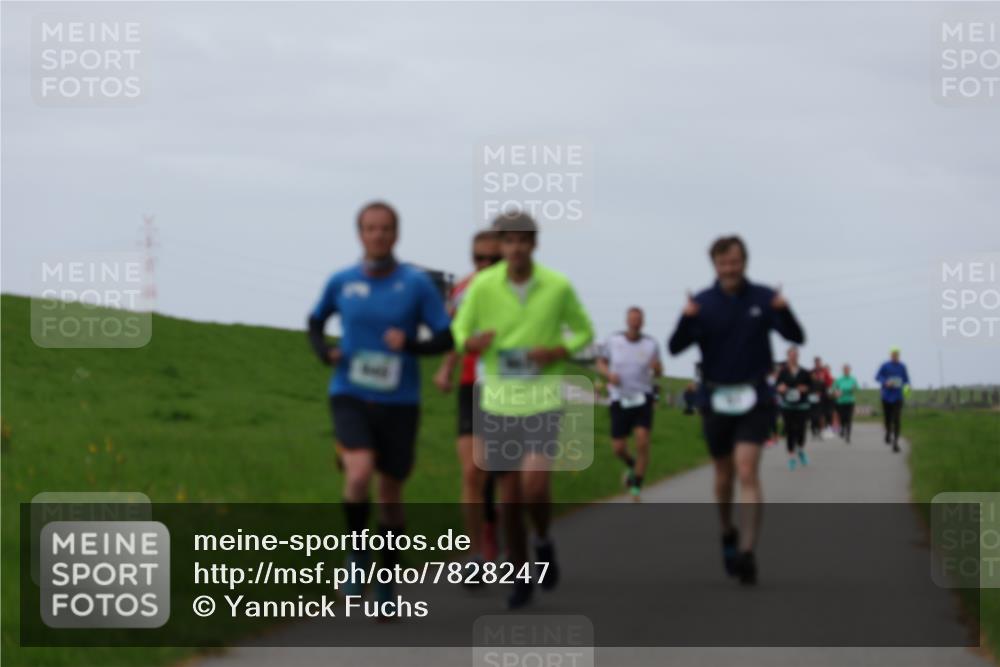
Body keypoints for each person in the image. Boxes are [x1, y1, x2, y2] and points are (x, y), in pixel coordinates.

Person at [307, 201, 453, 602]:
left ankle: (386, 579)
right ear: (360, 234)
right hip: (350, 392)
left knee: (390, 494)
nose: (378, 235)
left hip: (401, 400)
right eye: (371, 228)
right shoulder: (342, 282)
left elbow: (446, 337)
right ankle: (357, 557)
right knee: (358, 473)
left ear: (396, 234)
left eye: (386, 228)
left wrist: (411, 344)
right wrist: (325, 352)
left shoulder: (417, 285)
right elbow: (316, 321)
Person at [451, 211, 594, 609]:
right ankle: (519, 573)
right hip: (498, 400)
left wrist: (557, 351)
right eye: (507, 241)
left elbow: (584, 331)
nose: (514, 248)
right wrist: (470, 342)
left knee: (534, 484)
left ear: (534, 244)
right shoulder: (482, 288)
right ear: (500, 245)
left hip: (543, 397)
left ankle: (544, 541)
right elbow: (459, 331)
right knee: (510, 498)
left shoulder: (556, 286)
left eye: (521, 240)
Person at [668, 235, 805, 585]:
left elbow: (796, 336)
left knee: (747, 470)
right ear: (715, 265)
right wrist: (686, 320)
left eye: (735, 262)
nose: (730, 268)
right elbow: (675, 347)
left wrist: (783, 310)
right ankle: (727, 530)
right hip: (715, 397)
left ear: (745, 262)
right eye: (723, 263)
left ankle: (747, 551)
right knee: (724, 475)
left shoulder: (763, 298)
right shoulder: (702, 302)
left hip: (755, 397)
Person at [433, 229, 503, 568]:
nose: (487, 264)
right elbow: (453, 334)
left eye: (495, 258)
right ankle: (475, 551)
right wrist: (446, 368)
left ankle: (495, 529)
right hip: (471, 384)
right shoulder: (461, 289)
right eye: (480, 258)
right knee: (473, 470)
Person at [595, 306, 663, 499]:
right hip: (619, 398)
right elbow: (600, 362)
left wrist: (657, 369)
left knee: (642, 441)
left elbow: (658, 371)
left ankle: (636, 486)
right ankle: (633, 465)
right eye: (632, 319)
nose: (635, 322)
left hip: (643, 397)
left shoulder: (651, 344)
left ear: (642, 322)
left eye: (638, 319)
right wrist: (609, 374)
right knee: (618, 448)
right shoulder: (613, 340)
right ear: (627, 321)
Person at [776, 347, 811, 469]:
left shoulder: (805, 372)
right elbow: (778, 385)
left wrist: (805, 389)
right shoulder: (783, 372)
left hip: (802, 405)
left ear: (798, 356)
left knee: (801, 430)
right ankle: (791, 457)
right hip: (787, 405)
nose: (793, 357)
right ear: (788, 356)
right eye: (791, 355)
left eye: (795, 355)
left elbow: (810, 387)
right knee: (790, 430)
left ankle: (800, 449)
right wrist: (781, 389)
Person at [876, 347, 910, 452]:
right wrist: (885, 382)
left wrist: (906, 393)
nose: (895, 356)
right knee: (888, 419)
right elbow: (877, 377)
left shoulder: (902, 366)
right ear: (890, 355)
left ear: (899, 355)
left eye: (897, 354)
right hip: (886, 396)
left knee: (897, 419)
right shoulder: (885, 365)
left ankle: (895, 443)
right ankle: (887, 433)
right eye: (893, 354)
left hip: (898, 397)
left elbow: (906, 381)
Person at [832, 363, 858, 443]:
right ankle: (842, 429)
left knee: (849, 418)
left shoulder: (853, 379)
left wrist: (853, 389)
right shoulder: (839, 379)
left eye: (847, 369)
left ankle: (848, 436)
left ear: (849, 370)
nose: (846, 371)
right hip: (841, 401)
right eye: (845, 369)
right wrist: (836, 392)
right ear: (843, 371)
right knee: (842, 418)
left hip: (850, 401)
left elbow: (856, 388)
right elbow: (833, 388)